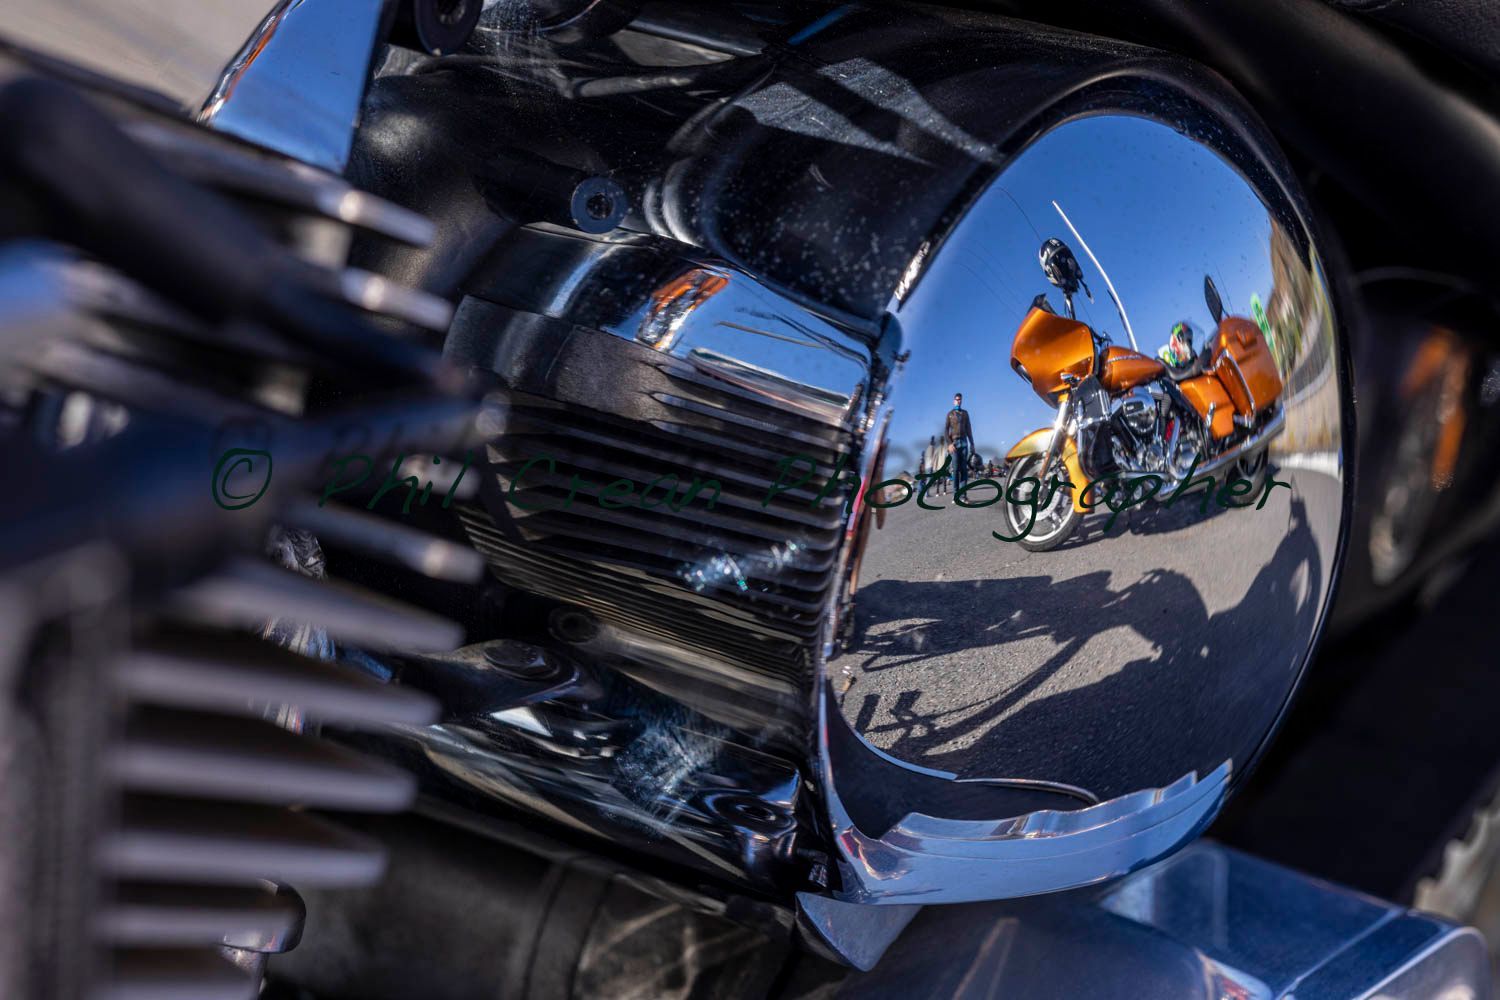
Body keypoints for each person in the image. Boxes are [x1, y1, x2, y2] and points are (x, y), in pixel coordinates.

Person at [945, 392, 976, 496]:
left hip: (964, 443)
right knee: (956, 468)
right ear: (953, 401)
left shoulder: (965, 413)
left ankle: (963, 496)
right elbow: (945, 430)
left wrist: (972, 443)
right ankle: (955, 494)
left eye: (960, 399)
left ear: (961, 401)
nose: (958, 401)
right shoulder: (950, 414)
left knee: (964, 470)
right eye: (956, 399)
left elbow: (969, 429)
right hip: (954, 444)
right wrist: (949, 444)